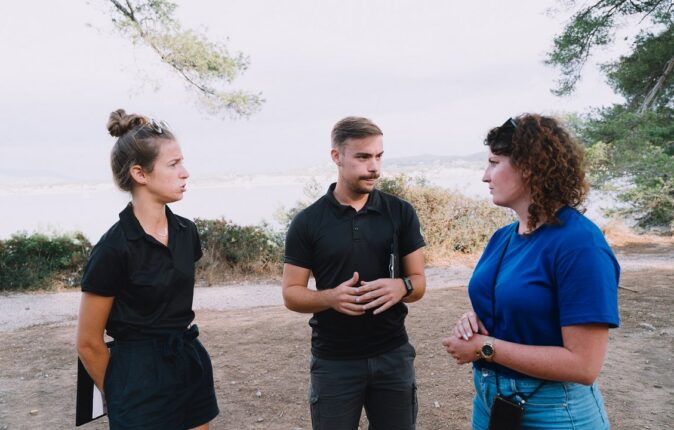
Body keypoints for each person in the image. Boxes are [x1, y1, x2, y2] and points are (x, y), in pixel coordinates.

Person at [442, 114, 620, 430]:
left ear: (528, 167)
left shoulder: (580, 244)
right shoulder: (502, 237)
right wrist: (472, 321)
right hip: (490, 405)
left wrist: (485, 347)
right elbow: (516, 304)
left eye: (494, 163)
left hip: (555, 411)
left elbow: (584, 365)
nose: (486, 176)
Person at [76, 109, 219, 430]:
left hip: (187, 359)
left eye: (182, 162)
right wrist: (120, 393)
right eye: (174, 164)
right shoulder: (113, 248)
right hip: (137, 375)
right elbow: (87, 342)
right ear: (140, 174)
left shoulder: (186, 232)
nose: (185, 172)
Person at [282, 116, 427, 430]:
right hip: (334, 362)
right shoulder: (308, 222)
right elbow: (291, 293)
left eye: (378, 156)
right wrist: (330, 298)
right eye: (363, 157)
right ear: (337, 157)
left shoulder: (400, 212)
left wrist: (400, 287)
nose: (374, 167)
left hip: (393, 355)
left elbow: (418, 283)